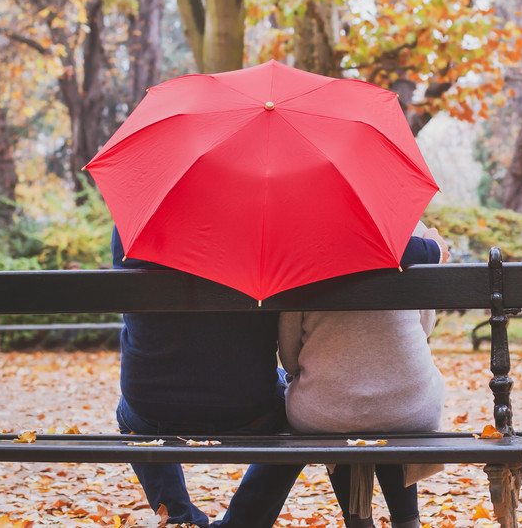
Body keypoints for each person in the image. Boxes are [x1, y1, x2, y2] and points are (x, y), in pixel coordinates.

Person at [112, 226, 449, 527]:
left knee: (128, 413)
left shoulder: (133, 224)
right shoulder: (261, 223)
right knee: (293, 418)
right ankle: (243, 523)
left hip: (152, 406)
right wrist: (430, 249)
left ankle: (177, 517)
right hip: (246, 408)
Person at [277, 222, 450, 528]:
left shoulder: (299, 245)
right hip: (410, 411)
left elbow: (289, 359)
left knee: (337, 402)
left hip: (325, 414)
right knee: (395, 398)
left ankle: (357, 521)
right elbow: (424, 329)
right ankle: (407, 520)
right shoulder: (408, 234)